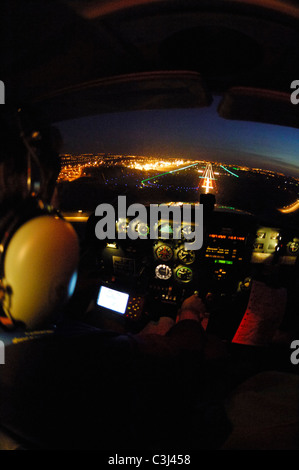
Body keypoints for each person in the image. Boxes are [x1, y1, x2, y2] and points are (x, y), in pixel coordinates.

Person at [0, 109, 231, 450]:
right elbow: (174, 356)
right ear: (32, 243)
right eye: (53, 207)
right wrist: (188, 315)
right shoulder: (73, 361)